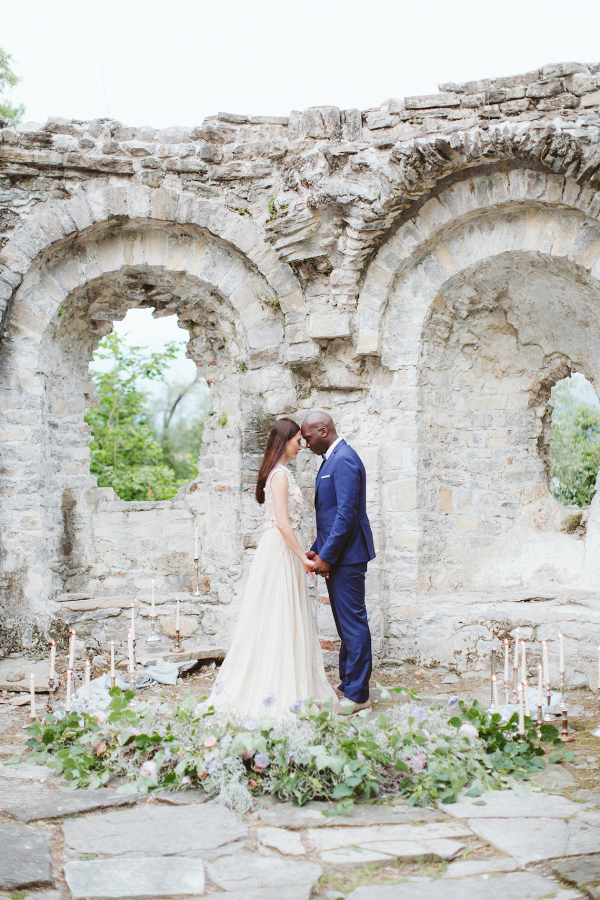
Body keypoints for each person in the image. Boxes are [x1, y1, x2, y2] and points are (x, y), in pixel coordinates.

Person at [208, 418, 336, 718]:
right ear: (284, 440)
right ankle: (274, 685)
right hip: (279, 549)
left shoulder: (280, 473)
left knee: (284, 613)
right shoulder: (278, 476)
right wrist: (302, 557)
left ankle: (289, 679)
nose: (302, 445)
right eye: (297, 440)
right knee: (278, 612)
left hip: (283, 548)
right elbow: (281, 523)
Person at [301, 412, 376, 714]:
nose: (305, 444)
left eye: (307, 438)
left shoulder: (344, 459)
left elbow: (346, 515)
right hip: (338, 554)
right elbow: (330, 518)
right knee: (347, 626)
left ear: (323, 431)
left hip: (348, 557)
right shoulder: (331, 460)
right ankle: (348, 684)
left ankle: (359, 696)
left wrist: (327, 556)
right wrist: (316, 550)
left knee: (353, 625)